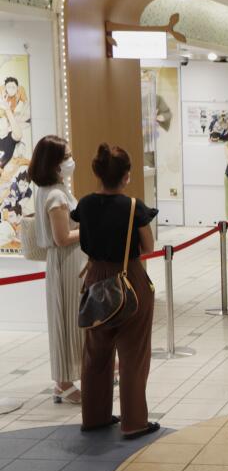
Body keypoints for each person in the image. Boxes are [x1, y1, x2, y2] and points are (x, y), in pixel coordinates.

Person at [73, 144, 158, 439]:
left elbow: (83, 241)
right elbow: (148, 247)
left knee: (95, 352)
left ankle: (94, 417)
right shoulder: (133, 207)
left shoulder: (83, 205)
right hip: (129, 279)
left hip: (95, 276)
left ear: (97, 173)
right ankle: (134, 422)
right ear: (126, 176)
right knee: (134, 354)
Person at [28, 136, 86, 404]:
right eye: (67, 157)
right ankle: (64, 382)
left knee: (68, 319)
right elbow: (62, 238)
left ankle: (67, 377)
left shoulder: (52, 189)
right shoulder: (55, 194)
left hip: (65, 263)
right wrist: (89, 230)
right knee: (67, 319)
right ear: (54, 163)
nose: (71, 161)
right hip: (66, 263)